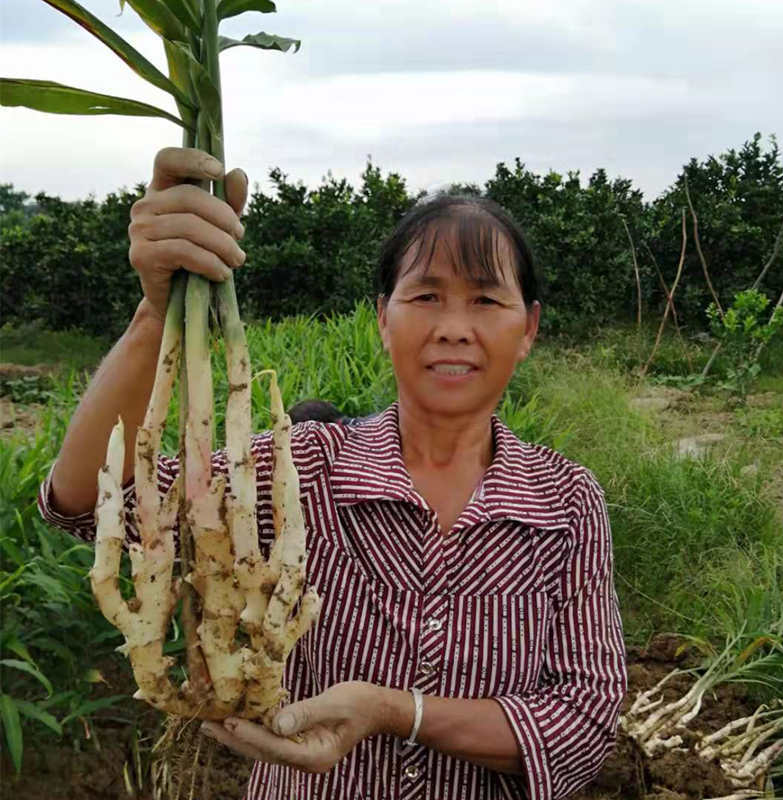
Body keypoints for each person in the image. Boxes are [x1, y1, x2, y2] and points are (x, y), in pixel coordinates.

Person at [38, 148, 627, 800]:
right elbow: (92, 502)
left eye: (487, 300)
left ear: (529, 329)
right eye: (427, 295)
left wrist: (395, 711)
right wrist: (156, 311)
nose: (455, 328)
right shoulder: (306, 467)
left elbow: (585, 721)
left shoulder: (566, 501)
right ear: (383, 318)